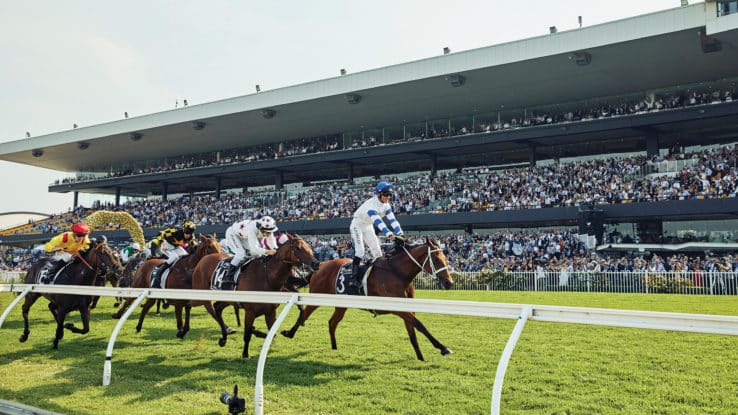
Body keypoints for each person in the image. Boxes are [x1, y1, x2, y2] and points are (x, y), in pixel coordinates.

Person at [350, 181, 405, 285]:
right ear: (379, 194)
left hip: (367, 225)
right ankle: (353, 278)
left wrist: (400, 233)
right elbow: (378, 222)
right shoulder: (371, 205)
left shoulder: (387, 205)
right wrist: (389, 234)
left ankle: (378, 277)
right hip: (357, 224)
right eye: (386, 194)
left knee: (377, 252)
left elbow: (392, 220)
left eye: (390, 195)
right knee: (360, 251)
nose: (388, 197)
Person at [219, 216, 279, 287]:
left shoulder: (266, 228)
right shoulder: (252, 229)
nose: (269, 234)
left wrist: (276, 249)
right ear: (261, 229)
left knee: (257, 255)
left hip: (244, 236)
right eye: (268, 232)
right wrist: (268, 251)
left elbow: (271, 241)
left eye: (271, 232)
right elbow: (254, 249)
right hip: (232, 234)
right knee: (241, 254)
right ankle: (228, 277)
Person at [148, 221, 197, 286]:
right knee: (174, 257)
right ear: (183, 230)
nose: (188, 235)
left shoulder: (191, 237)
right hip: (166, 245)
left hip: (176, 246)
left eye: (190, 233)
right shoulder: (174, 231)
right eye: (187, 232)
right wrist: (158, 243)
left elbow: (195, 245)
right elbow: (161, 233)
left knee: (185, 255)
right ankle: (159, 272)